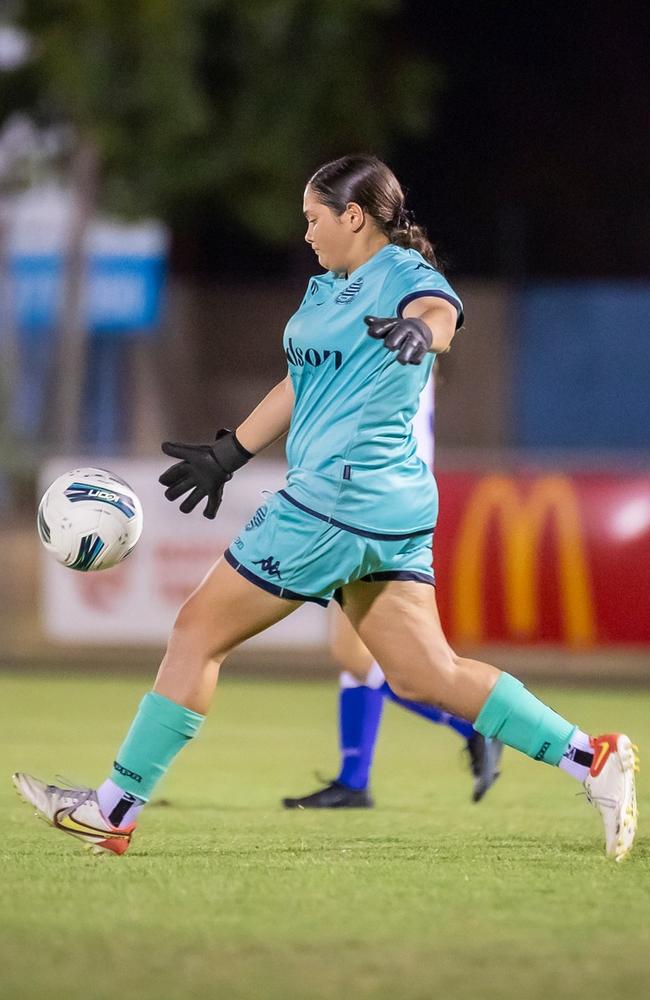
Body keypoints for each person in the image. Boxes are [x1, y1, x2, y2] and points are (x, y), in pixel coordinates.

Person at [13, 154, 638, 861]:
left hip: (333, 501)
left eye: (315, 218)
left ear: (354, 216)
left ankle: (113, 809)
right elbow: (297, 380)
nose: (306, 232)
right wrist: (230, 453)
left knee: (195, 633)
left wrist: (423, 333)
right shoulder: (323, 291)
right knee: (423, 674)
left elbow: (441, 312)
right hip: (388, 508)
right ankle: (594, 758)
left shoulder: (401, 273)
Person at [283, 378, 503, 809]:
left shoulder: (386, 336)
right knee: (360, 652)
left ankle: (471, 725)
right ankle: (353, 780)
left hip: (374, 499)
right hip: (393, 497)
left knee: (359, 655)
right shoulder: (411, 335)